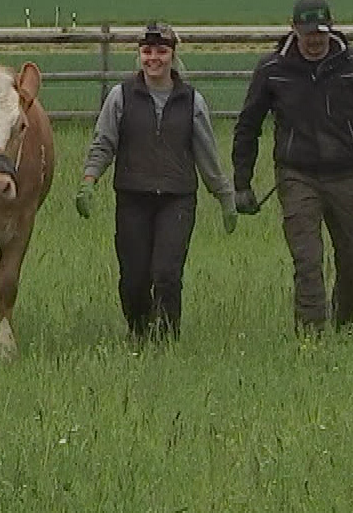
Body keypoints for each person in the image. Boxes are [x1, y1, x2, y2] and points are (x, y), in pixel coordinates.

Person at [231, 0, 353, 334]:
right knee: (308, 260)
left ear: (330, 29)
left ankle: (343, 321)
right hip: (297, 176)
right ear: (294, 29)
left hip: (345, 175)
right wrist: (242, 184)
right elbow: (248, 126)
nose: (315, 40)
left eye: (321, 32)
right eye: (308, 33)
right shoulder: (272, 70)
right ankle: (312, 336)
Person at [75, 22, 239, 341]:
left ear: (173, 56)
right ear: (139, 55)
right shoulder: (121, 96)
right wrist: (89, 180)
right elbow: (103, 142)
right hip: (133, 196)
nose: (154, 59)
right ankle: (138, 331)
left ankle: (164, 339)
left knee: (166, 274)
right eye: (147, 52)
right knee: (134, 278)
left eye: (162, 52)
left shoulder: (192, 101)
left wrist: (224, 195)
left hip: (177, 199)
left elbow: (207, 153)